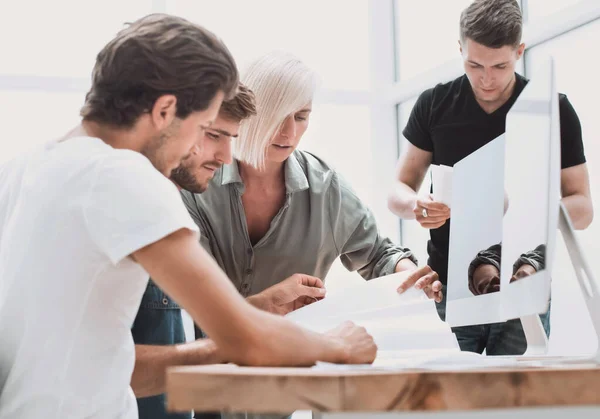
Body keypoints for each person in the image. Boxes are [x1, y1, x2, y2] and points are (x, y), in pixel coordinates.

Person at [0, 14, 378, 419]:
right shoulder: (125, 178)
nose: (214, 153)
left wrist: (253, 316)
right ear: (165, 110)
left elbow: (116, 370)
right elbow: (246, 342)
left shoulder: (22, 169)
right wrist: (337, 345)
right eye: (203, 128)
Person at [388, 0, 593, 355]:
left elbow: (583, 208)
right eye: (473, 64)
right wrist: (416, 205)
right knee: (451, 405)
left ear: (519, 51)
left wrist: (532, 208)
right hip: (447, 287)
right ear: (460, 49)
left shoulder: (552, 109)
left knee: (517, 404)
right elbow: (398, 190)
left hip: (522, 285)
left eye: (500, 65)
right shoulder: (434, 104)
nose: (486, 78)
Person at [181, 51, 443, 321]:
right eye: (278, 116)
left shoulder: (326, 188)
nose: (289, 133)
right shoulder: (198, 182)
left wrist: (413, 276)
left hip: (295, 354)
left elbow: (378, 255)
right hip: (205, 355)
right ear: (247, 112)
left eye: (301, 116)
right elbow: (189, 294)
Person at [131, 84, 331, 419]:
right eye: (213, 134)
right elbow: (113, 367)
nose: (227, 156)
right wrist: (330, 346)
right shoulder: (132, 205)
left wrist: (261, 307)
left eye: (231, 138)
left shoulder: (167, 205)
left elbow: (177, 338)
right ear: (164, 116)